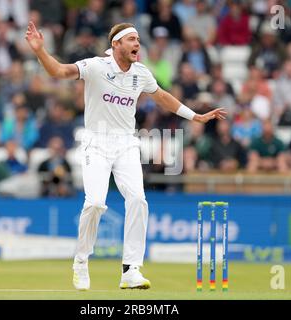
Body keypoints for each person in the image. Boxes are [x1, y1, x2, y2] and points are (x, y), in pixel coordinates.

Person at [25, 21, 226, 291]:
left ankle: (131, 269)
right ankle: (81, 261)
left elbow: (163, 97)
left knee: (138, 200)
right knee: (95, 203)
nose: (137, 44)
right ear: (116, 44)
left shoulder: (141, 73)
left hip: (126, 143)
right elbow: (59, 71)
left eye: (138, 40)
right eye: (131, 39)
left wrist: (195, 116)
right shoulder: (96, 66)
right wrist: (40, 51)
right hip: (96, 142)